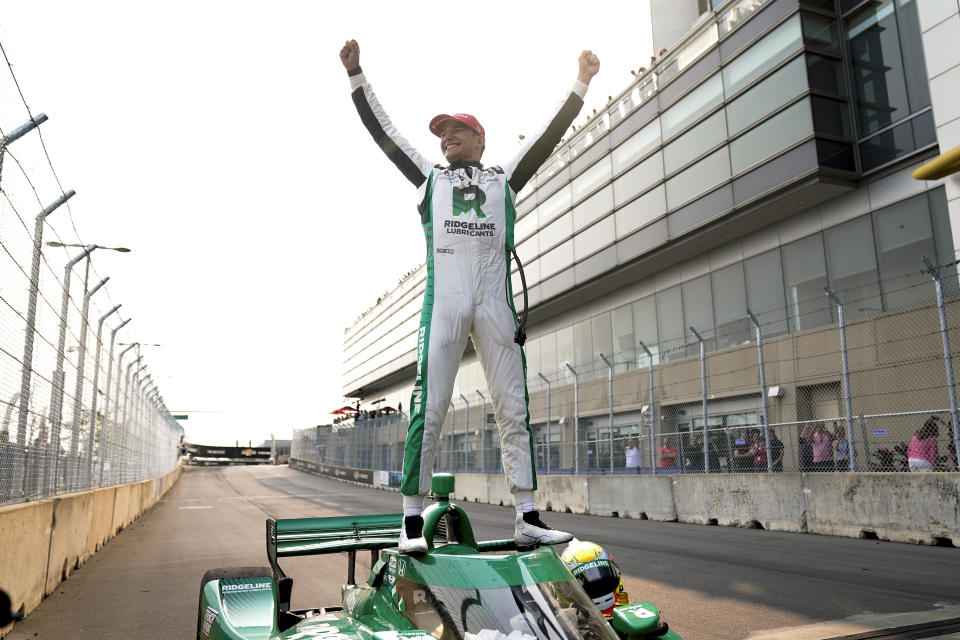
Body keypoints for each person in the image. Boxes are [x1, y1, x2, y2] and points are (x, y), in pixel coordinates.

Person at [341, 39, 599, 553]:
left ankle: (527, 515)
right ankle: (412, 520)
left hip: (495, 302)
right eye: (441, 134)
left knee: (513, 409)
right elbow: (385, 133)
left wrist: (582, 82)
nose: (445, 140)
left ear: (479, 139)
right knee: (429, 407)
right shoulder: (428, 178)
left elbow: (548, 135)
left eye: (456, 132)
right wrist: (356, 75)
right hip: (445, 303)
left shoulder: (504, 178)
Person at [560, 539, 629, 618]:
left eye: (605, 580)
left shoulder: (632, 611)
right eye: (590, 586)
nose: (600, 588)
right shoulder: (566, 623)